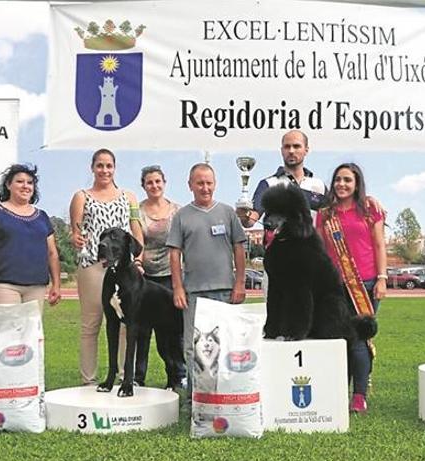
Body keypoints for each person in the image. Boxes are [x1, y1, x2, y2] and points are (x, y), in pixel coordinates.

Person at [167, 163, 247, 399]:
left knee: (224, 345)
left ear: (215, 184)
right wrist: (178, 287)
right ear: (190, 185)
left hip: (225, 291)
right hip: (194, 293)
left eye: (209, 183)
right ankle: (197, 398)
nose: (205, 188)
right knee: (194, 347)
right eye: (199, 183)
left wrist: (240, 283)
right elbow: (174, 254)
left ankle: (225, 395)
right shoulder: (182, 216)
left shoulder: (227, 213)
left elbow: (239, 248)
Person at [69, 149, 145, 385]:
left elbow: (135, 227)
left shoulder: (129, 196)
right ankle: (89, 380)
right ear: (92, 168)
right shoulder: (81, 196)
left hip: (124, 267)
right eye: (100, 165)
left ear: (115, 168)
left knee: (126, 324)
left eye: (109, 166)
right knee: (91, 324)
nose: (104, 170)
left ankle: (124, 376)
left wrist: (139, 260)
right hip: (93, 264)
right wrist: (76, 239)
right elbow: (75, 231)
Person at [316, 163, 386, 414]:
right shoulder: (325, 214)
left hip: (364, 284)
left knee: (358, 340)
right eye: (337, 180)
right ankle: (337, 389)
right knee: (337, 340)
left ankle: (359, 395)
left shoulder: (369, 209)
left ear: (357, 184)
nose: (341, 185)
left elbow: (379, 245)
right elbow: (322, 251)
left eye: (347, 180)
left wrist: (382, 278)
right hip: (334, 286)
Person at [0, 164, 61, 310]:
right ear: (8, 185)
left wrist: (56, 285)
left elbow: (52, 253)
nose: (25, 186)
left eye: (30, 182)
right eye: (20, 181)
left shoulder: (42, 217)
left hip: (37, 287)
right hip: (4, 286)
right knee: (8, 330)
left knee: (31, 332)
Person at [135, 164, 185, 386]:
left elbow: (183, 243)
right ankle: (137, 378)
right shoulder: (136, 210)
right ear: (144, 185)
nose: (154, 185)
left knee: (171, 332)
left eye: (157, 181)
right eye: (149, 182)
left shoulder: (177, 210)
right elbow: (138, 241)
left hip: (171, 277)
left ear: (164, 183)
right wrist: (137, 263)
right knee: (142, 332)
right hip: (145, 278)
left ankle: (177, 377)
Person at [237, 130, 328, 243]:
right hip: (278, 256)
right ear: (281, 151)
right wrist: (245, 214)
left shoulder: (320, 186)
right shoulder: (268, 184)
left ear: (306, 150)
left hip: (312, 256)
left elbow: (332, 222)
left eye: (296, 146)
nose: (291, 151)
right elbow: (250, 221)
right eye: (287, 147)